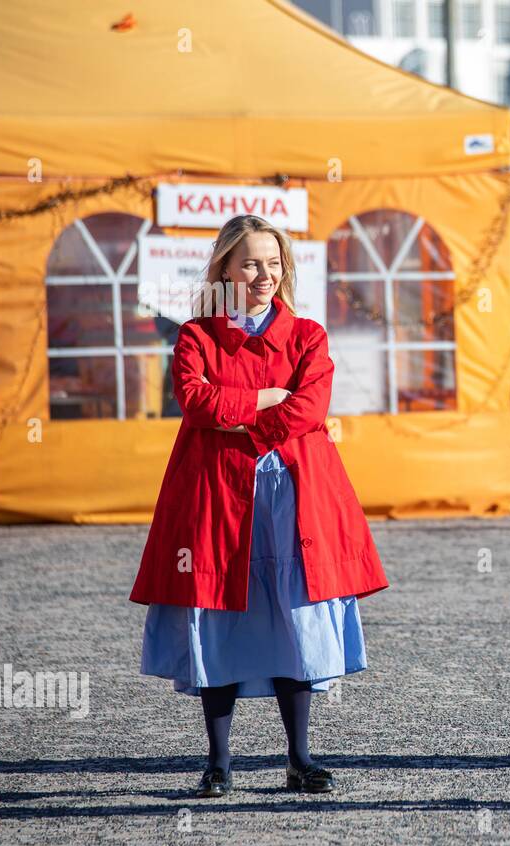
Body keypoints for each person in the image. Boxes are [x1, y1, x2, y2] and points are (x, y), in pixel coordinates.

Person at [132, 214, 388, 798]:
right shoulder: (196, 336)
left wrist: (241, 413)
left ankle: (300, 758)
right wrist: (265, 398)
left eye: (273, 263)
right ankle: (218, 762)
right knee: (218, 614)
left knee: (292, 615)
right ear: (224, 267)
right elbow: (195, 403)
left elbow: (309, 410)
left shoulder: (308, 336)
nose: (264, 275)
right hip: (217, 495)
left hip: (293, 493)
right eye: (250, 263)